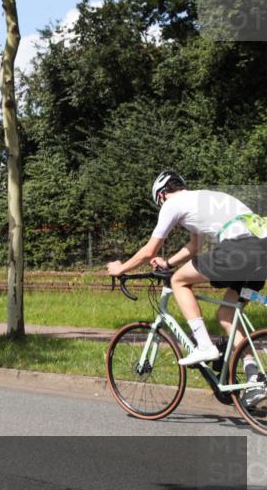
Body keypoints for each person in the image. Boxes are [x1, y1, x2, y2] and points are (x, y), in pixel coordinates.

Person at [106, 171, 267, 405]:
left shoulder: (172, 204)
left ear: (161, 195)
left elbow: (149, 250)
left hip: (239, 248)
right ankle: (254, 378)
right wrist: (168, 262)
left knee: (179, 281)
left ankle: (204, 346)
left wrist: (120, 268)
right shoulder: (201, 198)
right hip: (261, 251)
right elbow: (194, 246)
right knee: (226, 314)